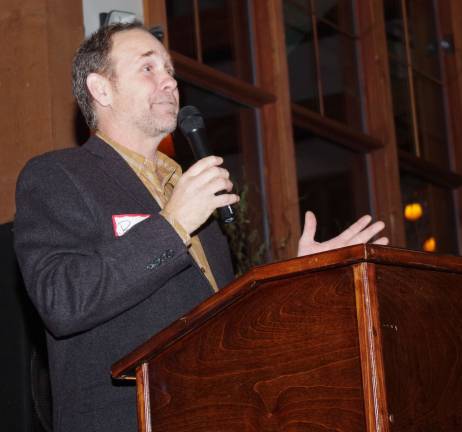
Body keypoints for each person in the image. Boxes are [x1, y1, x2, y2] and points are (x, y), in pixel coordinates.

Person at [14, 22, 388, 432]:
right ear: (101, 89)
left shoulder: (193, 193)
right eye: (148, 68)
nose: (169, 81)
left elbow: (226, 324)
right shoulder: (60, 176)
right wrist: (172, 224)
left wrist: (292, 278)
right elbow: (62, 301)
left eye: (170, 71)